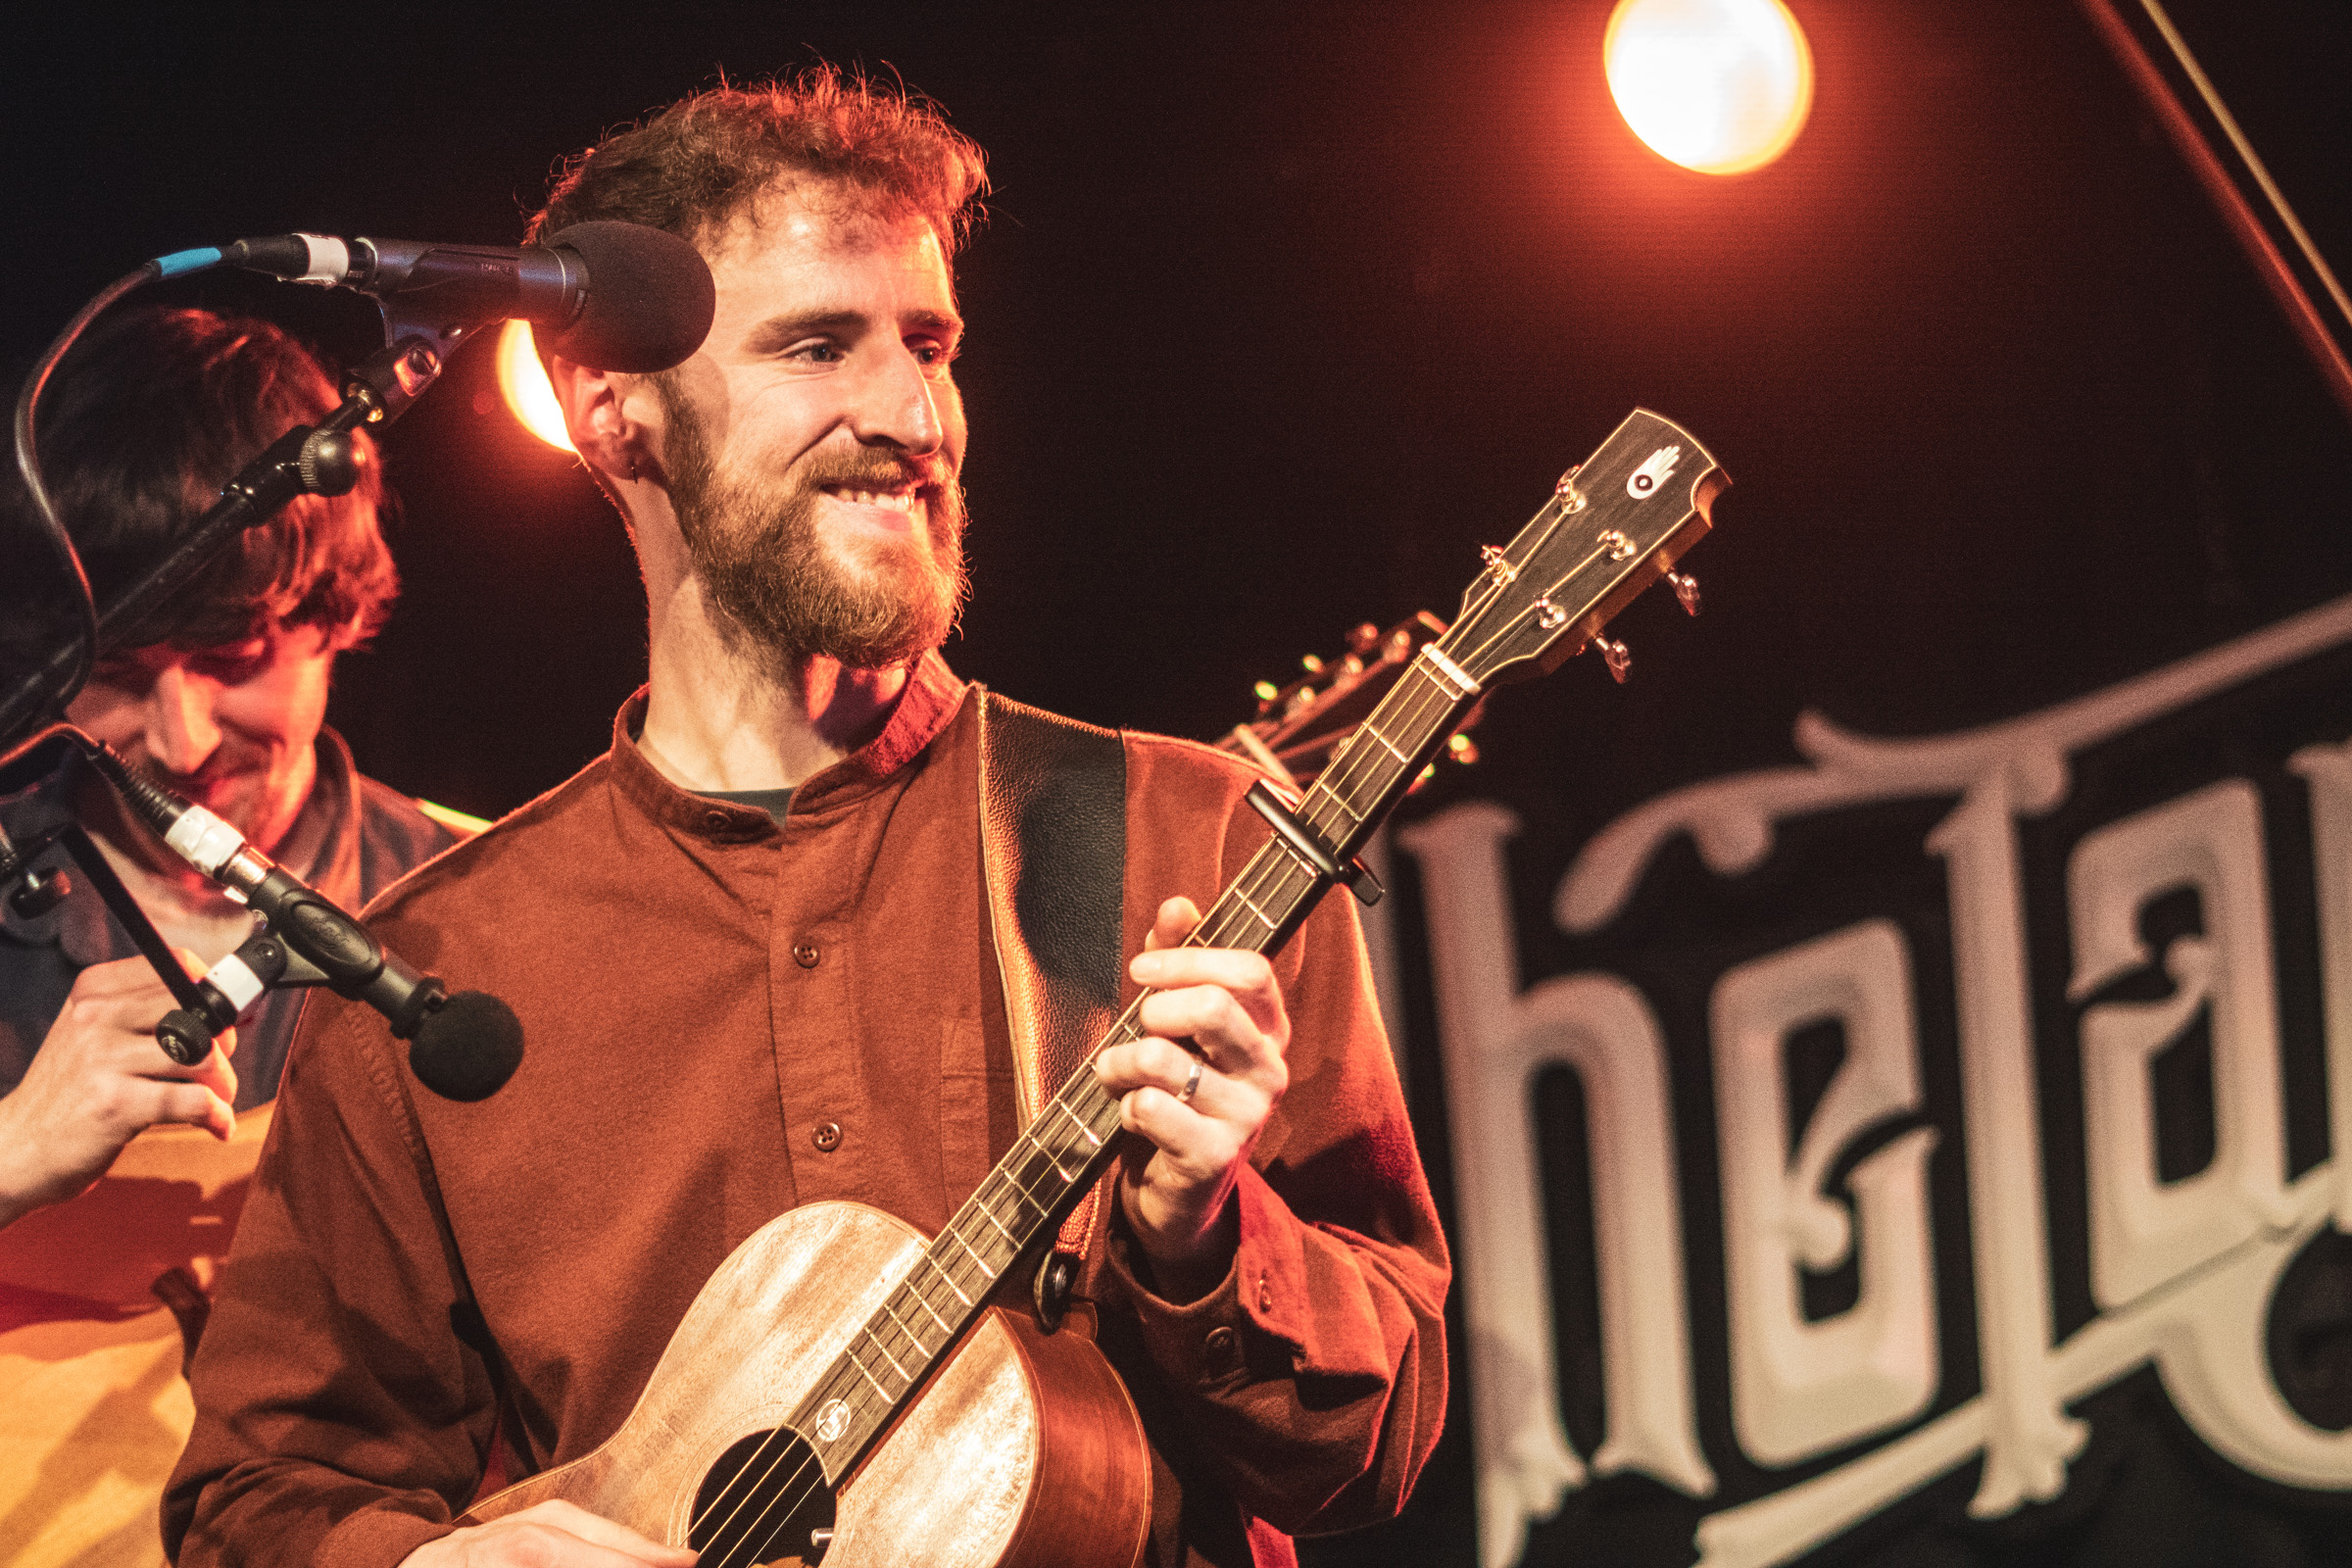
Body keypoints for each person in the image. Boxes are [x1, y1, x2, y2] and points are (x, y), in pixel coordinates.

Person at [166, 70, 1448, 1568]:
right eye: (816, 346)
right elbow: (258, 1502)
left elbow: (1383, 1441)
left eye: (930, 345)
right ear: (611, 410)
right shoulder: (430, 970)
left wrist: (1203, 1236)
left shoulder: (1187, 842)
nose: (911, 416)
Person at [0, 305, 470, 1231]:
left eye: (229, 658)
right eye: (119, 672)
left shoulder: (479, 894)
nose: (184, 746)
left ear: (337, 615)